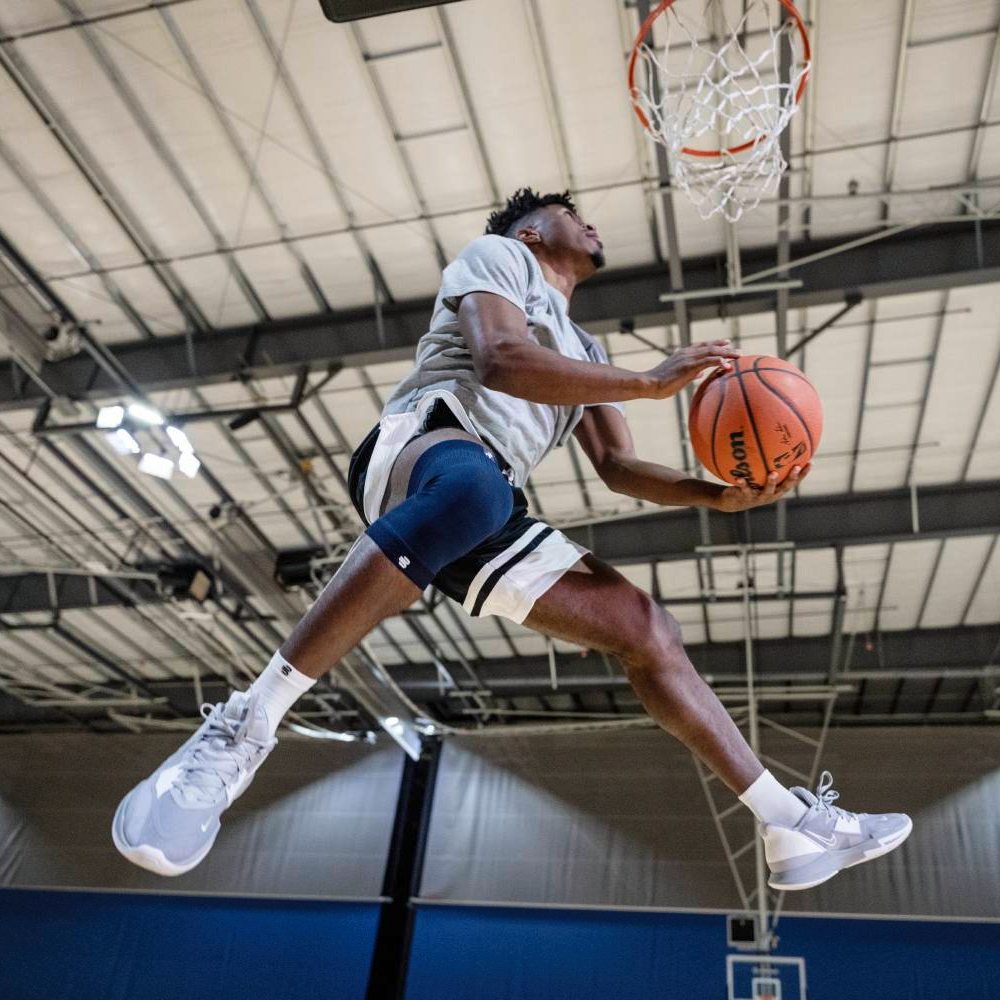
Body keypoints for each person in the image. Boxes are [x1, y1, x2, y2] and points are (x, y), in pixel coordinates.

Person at [112, 189, 910, 891]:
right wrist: (650, 380)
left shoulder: (588, 351)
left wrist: (719, 494)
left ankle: (789, 823)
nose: (589, 222)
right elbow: (499, 360)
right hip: (425, 445)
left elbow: (620, 467)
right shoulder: (500, 259)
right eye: (571, 213)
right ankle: (247, 726)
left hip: (485, 503)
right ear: (530, 231)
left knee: (646, 630)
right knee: (479, 487)